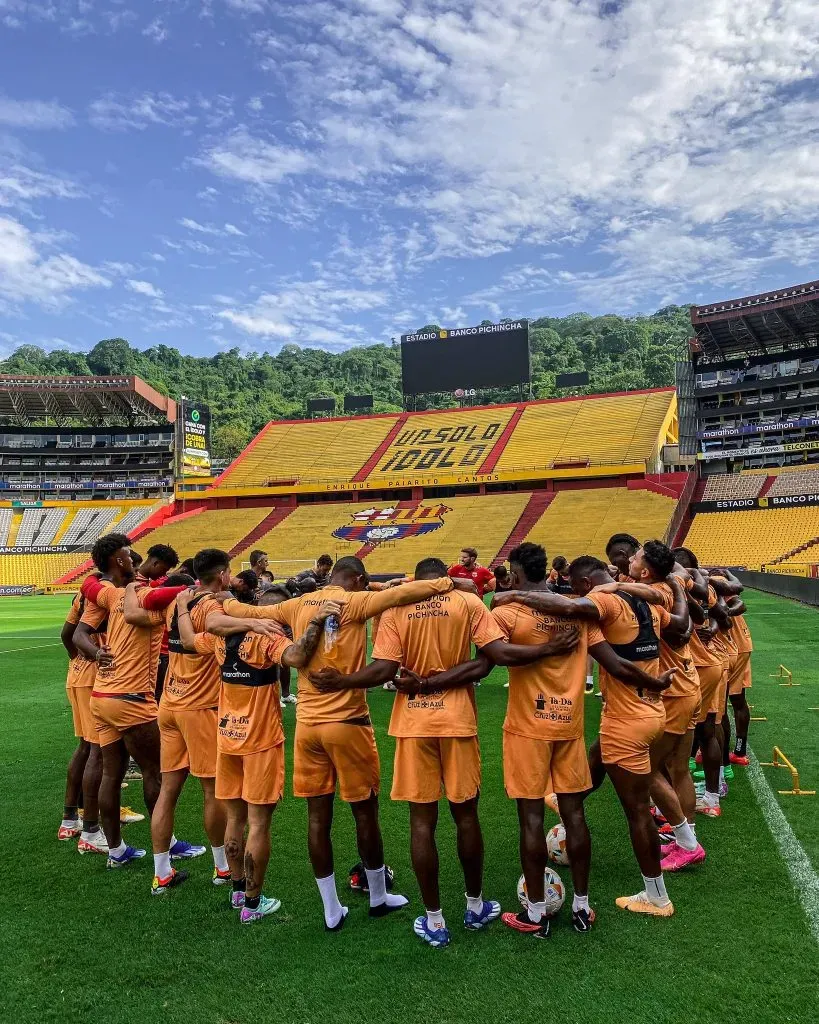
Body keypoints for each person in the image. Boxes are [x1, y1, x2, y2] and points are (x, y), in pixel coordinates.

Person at [309, 555, 580, 947]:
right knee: (466, 816)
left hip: (413, 726)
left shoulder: (399, 607)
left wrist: (345, 681)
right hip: (456, 721)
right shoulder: (467, 602)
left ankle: (434, 919)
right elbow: (489, 660)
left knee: (422, 823)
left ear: (418, 581)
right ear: (445, 580)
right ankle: (475, 906)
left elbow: (385, 669)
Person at [221, 555, 473, 931]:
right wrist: (446, 583)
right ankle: (376, 896)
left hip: (307, 726)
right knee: (365, 812)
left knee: (317, 819)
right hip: (348, 723)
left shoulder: (295, 604)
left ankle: (331, 908)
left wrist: (208, 598)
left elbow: (235, 607)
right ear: (356, 579)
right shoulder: (352, 601)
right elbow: (409, 591)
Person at [494, 556, 682, 918]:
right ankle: (582, 904)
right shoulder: (638, 600)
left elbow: (495, 653)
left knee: (631, 811)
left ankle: (538, 911)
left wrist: (512, 598)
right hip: (625, 716)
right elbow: (678, 629)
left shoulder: (598, 603)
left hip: (593, 722)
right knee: (576, 809)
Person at [177, 585, 340, 922]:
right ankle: (253, 904)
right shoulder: (270, 637)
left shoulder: (226, 637)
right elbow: (295, 657)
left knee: (235, 819)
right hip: (261, 741)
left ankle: (238, 889)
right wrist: (317, 623)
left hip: (228, 736)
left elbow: (191, 641)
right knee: (258, 824)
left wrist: (181, 608)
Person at [123, 549, 278, 895]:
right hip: (200, 708)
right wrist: (250, 619)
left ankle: (161, 872)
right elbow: (214, 624)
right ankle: (223, 866)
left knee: (168, 789)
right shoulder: (210, 607)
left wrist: (134, 583)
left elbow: (132, 612)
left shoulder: (172, 607)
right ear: (221, 575)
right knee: (214, 792)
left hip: (169, 704)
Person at [626, 542, 706, 872]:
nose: (629, 559)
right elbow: (690, 582)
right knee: (679, 768)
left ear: (645, 570)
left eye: (635, 557)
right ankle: (686, 834)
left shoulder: (651, 594)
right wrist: (677, 579)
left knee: (646, 770)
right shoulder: (672, 582)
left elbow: (681, 630)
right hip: (688, 684)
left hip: (672, 691)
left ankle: (687, 843)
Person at [672, 548, 732, 818]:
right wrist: (712, 627)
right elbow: (724, 617)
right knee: (709, 728)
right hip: (710, 663)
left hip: (697, 665)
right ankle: (713, 791)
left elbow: (685, 631)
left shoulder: (674, 589)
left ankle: (679, 800)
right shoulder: (702, 588)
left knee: (685, 736)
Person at [58, 589, 105, 852]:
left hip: (77, 674)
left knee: (85, 747)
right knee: (98, 750)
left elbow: (67, 634)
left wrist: (76, 658)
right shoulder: (105, 595)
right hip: (93, 677)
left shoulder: (81, 595)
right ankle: (90, 830)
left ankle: (70, 819)